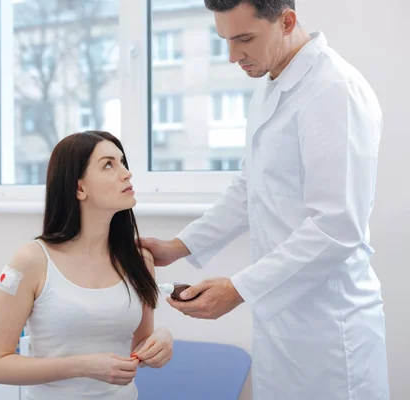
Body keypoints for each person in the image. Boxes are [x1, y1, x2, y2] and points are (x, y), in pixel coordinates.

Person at [141, 1, 389, 399]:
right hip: (282, 325)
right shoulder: (273, 85)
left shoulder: (333, 90)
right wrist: (179, 246)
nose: (233, 56)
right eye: (225, 39)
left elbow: (337, 226)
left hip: (330, 331)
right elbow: (249, 187)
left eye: (244, 39)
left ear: (287, 21)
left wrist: (239, 288)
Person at [0, 131, 173, 400]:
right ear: (79, 188)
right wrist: (82, 366)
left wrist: (161, 340)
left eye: (123, 162)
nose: (126, 173)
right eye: (108, 164)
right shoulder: (31, 261)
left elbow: (140, 343)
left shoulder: (140, 259)